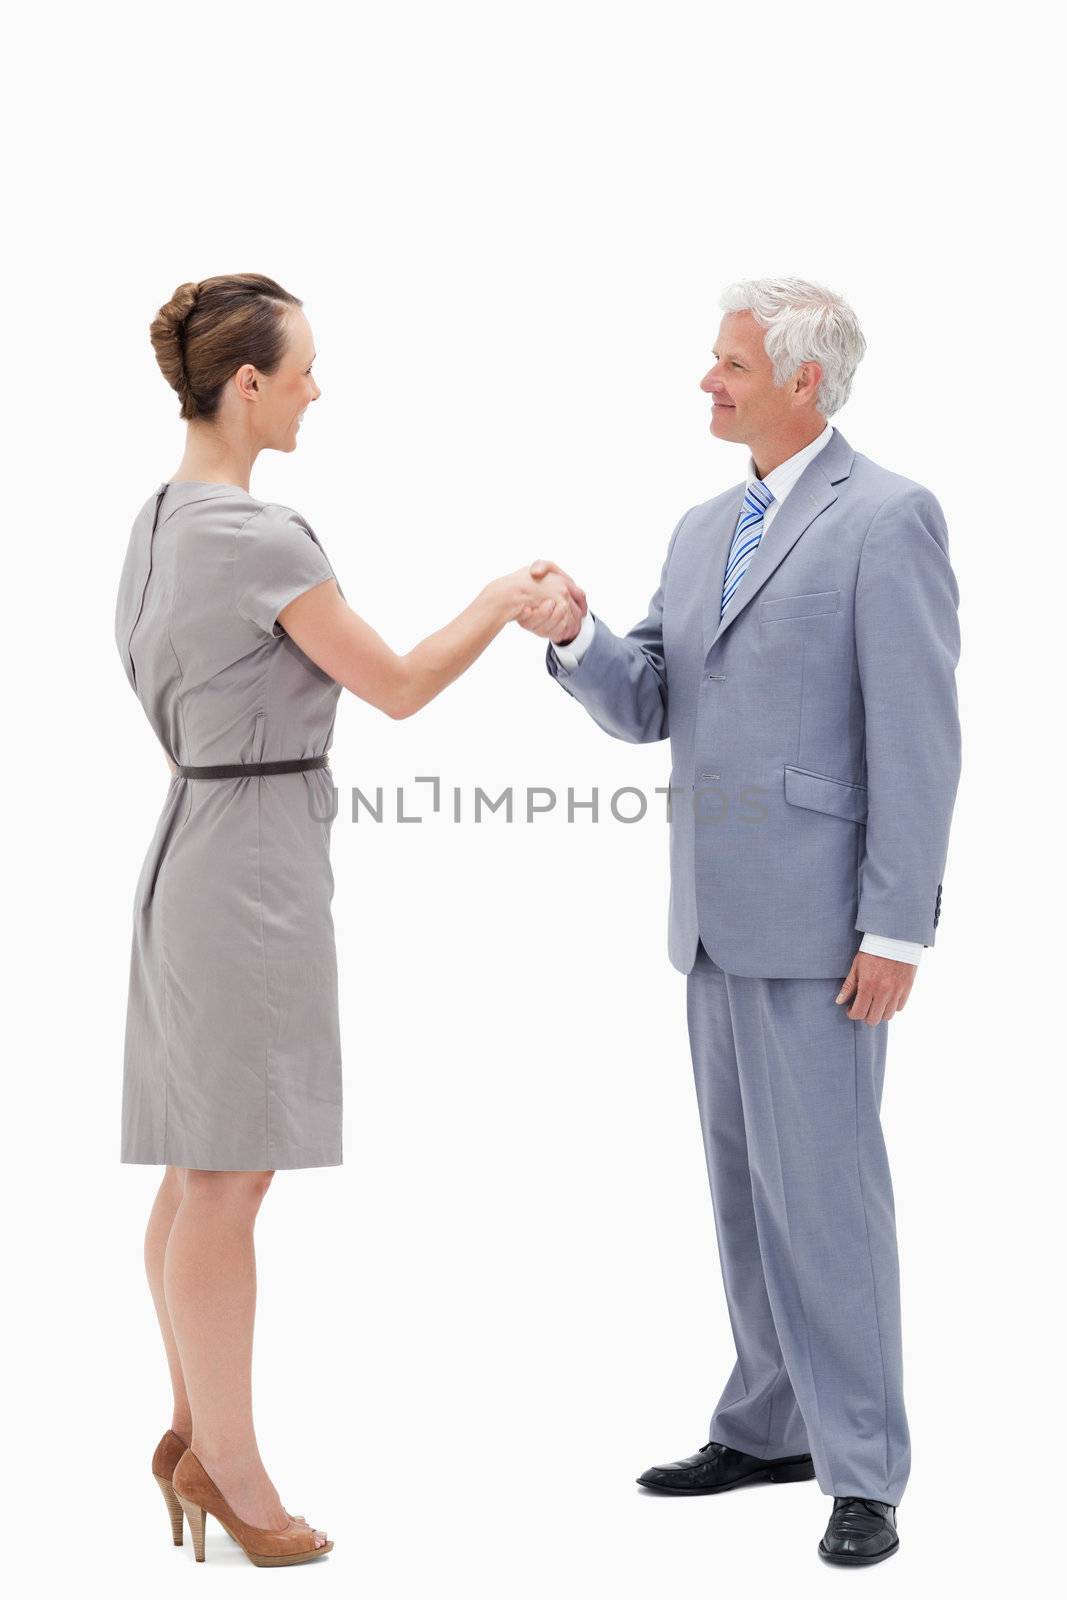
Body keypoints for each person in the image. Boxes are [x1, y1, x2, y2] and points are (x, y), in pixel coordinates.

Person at [116, 273, 585, 1567]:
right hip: (250, 870)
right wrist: (499, 599)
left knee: (199, 1162)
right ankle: (232, 1467)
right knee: (230, 1172)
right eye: (304, 367)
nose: (320, 387)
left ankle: (192, 1432)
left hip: (195, 840)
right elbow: (397, 686)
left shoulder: (159, 520)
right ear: (247, 382)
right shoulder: (259, 538)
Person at [523, 277, 962, 1567]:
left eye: (728, 365)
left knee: (827, 1196)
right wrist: (576, 634)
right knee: (742, 1191)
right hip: (711, 922)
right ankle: (770, 1423)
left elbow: (921, 741)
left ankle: (865, 1467)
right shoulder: (703, 522)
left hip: (828, 930)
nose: (706, 383)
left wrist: (899, 929)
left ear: (802, 383)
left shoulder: (889, 518)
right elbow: (651, 697)